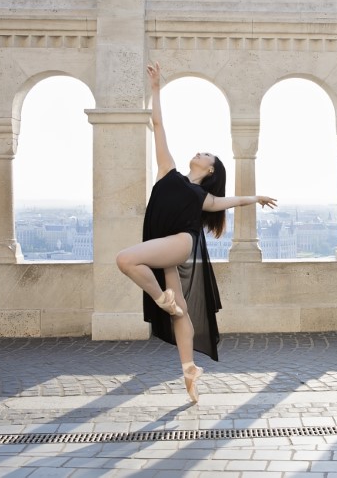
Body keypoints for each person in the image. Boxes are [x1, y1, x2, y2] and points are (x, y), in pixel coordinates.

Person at [116, 62, 277, 403]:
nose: (199, 152)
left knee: (125, 259)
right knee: (181, 312)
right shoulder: (167, 171)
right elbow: (158, 125)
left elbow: (232, 201)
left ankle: (162, 299)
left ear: (211, 169)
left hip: (179, 243)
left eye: (206, 154)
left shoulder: (204, 197)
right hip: (163, 246)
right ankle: (189, 369)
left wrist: (256, 198)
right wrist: (155, 88)